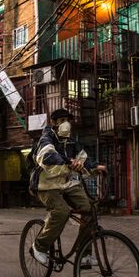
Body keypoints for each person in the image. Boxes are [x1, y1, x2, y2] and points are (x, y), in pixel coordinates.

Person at [30, 108, 107, 266]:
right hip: (46, 185)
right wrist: (68, 161)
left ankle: (84, 254)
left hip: (67, 183)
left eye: (68, 120)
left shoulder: (72, 141)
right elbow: (47, 155)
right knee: (62, 212)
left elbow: (83, 158)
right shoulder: (46, 137)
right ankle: (39, 246)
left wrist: (95, 167)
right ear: (53, 122)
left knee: (89, 209)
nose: (66, 123)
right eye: (62, 120)